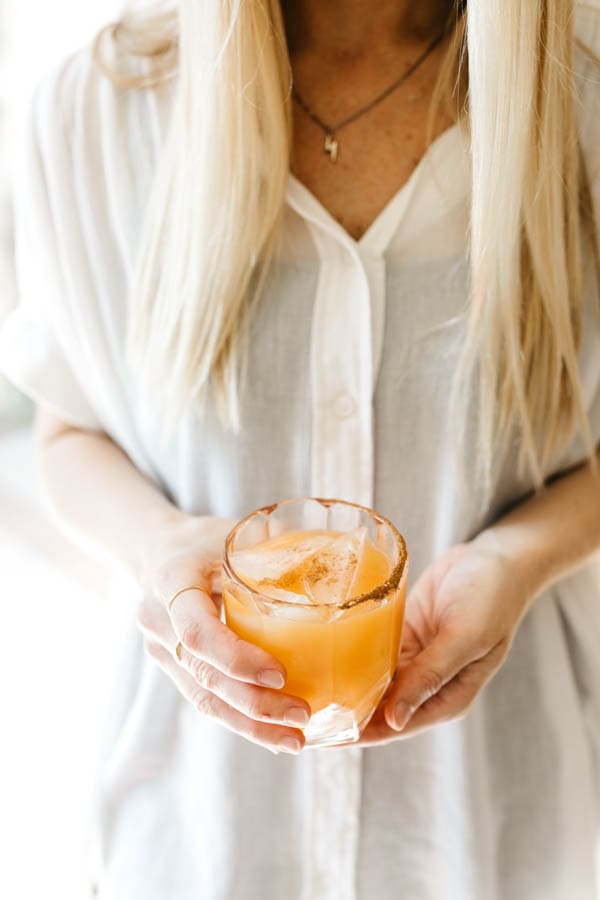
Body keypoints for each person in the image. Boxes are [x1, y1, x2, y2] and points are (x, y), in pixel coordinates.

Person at [1, 0, 600, 897]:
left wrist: (517, 559)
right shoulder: (93, 115)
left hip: (492, 824)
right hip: (195, 831)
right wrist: (156, 547)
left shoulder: (579, 105)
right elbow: (68, 429)